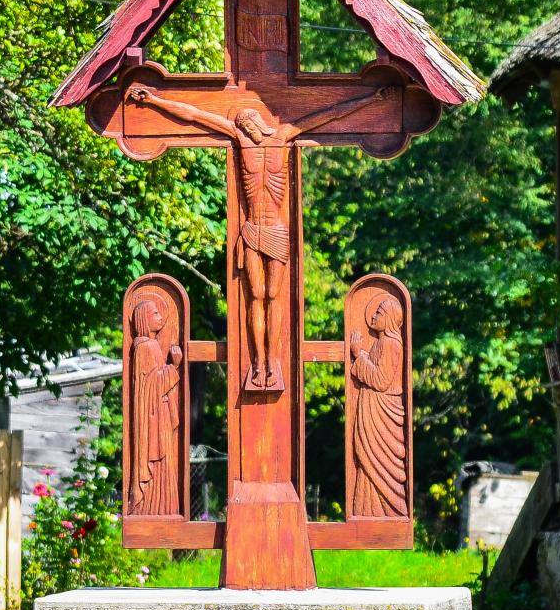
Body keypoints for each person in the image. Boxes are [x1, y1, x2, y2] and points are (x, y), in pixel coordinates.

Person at [127, 83, 394, 391]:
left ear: (260, 122)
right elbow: (194, 115)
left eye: (250, 122)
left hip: (277, 231)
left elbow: (327, 116)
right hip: (252, 229)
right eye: (243, 124)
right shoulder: (240, 141)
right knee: (255, 294)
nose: (248, 127)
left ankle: (274, 360)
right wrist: (155, 100)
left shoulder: (283, 137)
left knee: (272, 296)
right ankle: (259, 362)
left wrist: (371, 97)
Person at [348, 293, 407, 518]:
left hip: (381, 412)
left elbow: (380, 380)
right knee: (367, 460)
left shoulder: (391, 344)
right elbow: (375, 368)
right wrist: (362, 354)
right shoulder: (384, 343)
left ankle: (385, 511)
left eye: (379, 313)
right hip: (373, 410)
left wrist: (356, 355)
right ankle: (367, 509)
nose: (374, 316)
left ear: (390, 319)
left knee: (378, 464)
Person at [129, 296, 184, 515]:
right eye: (155, 314)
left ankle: (162, 506)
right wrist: (174, 367)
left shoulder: (147, 346)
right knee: (160, 463)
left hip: (158, 414)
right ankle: (155, 507)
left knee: (165, 463)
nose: (160, 318)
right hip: (153, 417)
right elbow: (151, 385)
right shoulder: (146, 347)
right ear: (144, 319)